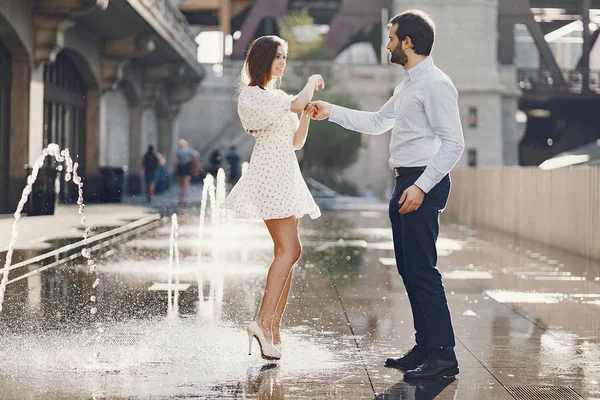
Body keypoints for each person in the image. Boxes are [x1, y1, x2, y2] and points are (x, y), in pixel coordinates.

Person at [307, 10, 465, 379]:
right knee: (410, 270)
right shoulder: (408, 84)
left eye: (392, 38)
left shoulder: (436, 84)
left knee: (423, 270)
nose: (388, 44)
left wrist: (421, 186)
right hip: (405, 181)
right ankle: (426, 346)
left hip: (422, 182)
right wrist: (330, 112)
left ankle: (444, 356)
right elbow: (378, 122)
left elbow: (454, 143)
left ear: (408, 42)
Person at [221, 35, 323, 360]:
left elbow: (296, 142)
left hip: (285, 173)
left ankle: (273, 328)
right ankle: (262, 323)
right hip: (269, 175)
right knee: (291, 249)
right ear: (263, 59)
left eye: (285, 56)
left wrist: (306, 114)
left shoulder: (275, 96)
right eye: (278, 56)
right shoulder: (252, 96)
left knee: (287, 251)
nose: (283, 62)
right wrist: (309, 84)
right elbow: (294, 102)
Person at [174, 139, 199, 205]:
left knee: (181, 182)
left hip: (180, 167)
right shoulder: (188, 150)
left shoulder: (178, 151)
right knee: (186, 182)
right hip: (187, 166)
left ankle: (181, 194)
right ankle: (185, 194)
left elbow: (175, 161)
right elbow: (196, 155)